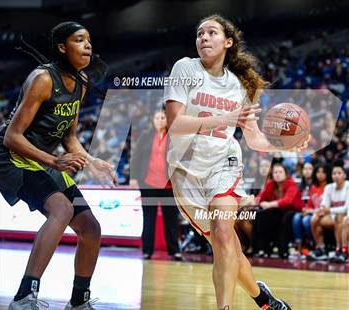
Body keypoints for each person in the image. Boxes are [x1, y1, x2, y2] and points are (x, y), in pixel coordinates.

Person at [164, 14, 307, 310]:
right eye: (200, 33)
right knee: (224, 246)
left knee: (223, 230)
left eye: (211, 32)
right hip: (185, 171)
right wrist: (224, 118)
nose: (203, 37)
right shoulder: (185, 68)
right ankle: (262, 298)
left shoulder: (242, 85)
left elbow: (253, 139)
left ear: (228, 42)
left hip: (224, 164)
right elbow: (175, 124)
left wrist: (286, 146)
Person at [0, 22, 115, 309]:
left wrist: (90, 160)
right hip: (10, 155)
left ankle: (78, 301)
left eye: (89, 39)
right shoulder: (43, 78)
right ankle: (25, 297)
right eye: (79, 40)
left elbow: (70, 137)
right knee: (60, 209)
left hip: (44, 157)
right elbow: (12, 137)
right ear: (62, 47)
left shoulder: (82, 82)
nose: (88, 45)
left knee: (91, 228)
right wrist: (54, 161)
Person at [130, 108, 182, 261]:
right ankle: (147, 251)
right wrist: (133, 177)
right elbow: (136, 157)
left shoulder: (174, 137)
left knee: (171, 219)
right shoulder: (145, 136)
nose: (160, 120)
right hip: (148, 183)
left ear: (167, 120)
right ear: (153, 120)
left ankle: (174, 251)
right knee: (149, 218)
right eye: (157, 117)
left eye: (163, 117)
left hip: (169, 185)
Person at [252, 162, 304, 259]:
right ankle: (261, 249)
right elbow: (260, 197)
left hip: (293, 210)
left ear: (285, 173)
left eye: (280, 172)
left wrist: (269, 204)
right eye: (275, 172)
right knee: (260, 215)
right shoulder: (270, 184)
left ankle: (283, 250)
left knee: (286, 217)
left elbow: (288, 201)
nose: (277, 174)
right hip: (279, 210)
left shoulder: (291, 184)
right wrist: (254, 202)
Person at [308, 162, 349, 261]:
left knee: (339, 216)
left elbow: (347, 208)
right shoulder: (329, 187)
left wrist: (329, 210)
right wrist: (320, 210)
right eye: (334, 173)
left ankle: (341, 250)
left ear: (345, 175)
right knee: (314, 219)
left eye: (339, 173)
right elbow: (325, 204)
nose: (336, 176)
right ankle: (320, 248)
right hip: (333, 215)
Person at [292, 163, 331, 255]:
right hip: (313, 212)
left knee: (306, 220)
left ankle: (312, 243)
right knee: (296, 217)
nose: (320, 174)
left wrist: (310, 211)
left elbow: (327, 207)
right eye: (318, 172)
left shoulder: (329, 187)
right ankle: (299, 245)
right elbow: (309, 204)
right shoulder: (313, 187)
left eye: (323, 172)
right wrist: (305, 210)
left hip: (324, 213)